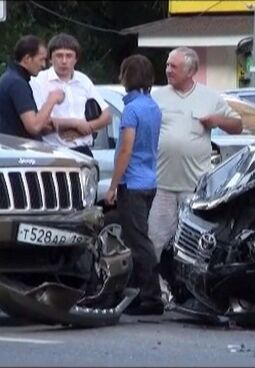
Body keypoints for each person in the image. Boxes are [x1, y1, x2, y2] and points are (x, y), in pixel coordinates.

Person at [148, 47, 242, 261]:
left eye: (174, 66)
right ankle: (155, 287)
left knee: (193, 242)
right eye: (167, 65)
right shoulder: (157, 96)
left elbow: (237, 125)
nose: (168, 70)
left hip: (196, 188)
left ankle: (187, 287)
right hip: (163, 186)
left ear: (190, 72)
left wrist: (217, 121)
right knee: (155, 240)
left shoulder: (210, 97)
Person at [105, 54, 163, 315]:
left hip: (133, 183)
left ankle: (152, 297)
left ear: (125, 76)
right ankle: (140, 293)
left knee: (139, 242)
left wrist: (113, 185)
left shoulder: (131, 110)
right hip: (149, 180)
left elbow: (126, 148)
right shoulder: (152, 106)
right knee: (139, 238)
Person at [30, 33, 111, 157]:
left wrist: (86, 128)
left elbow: (106, 115)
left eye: (69, 56)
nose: (64, 61)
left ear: (76, 59)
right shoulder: (39, 81)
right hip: (54, 152)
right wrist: (75, 124)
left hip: (83, 150)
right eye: (59, 56)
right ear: (50, 59)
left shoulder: (83, 80)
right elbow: (40, 120)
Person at [0, 35, 64, 140]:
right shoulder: (16, 83)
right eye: (41, 60)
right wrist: (51, 100)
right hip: (21, 151)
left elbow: (18, 122)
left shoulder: (10, 78)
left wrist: (46, 124)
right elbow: (34, 126)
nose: (44, 65)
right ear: (27, 59)